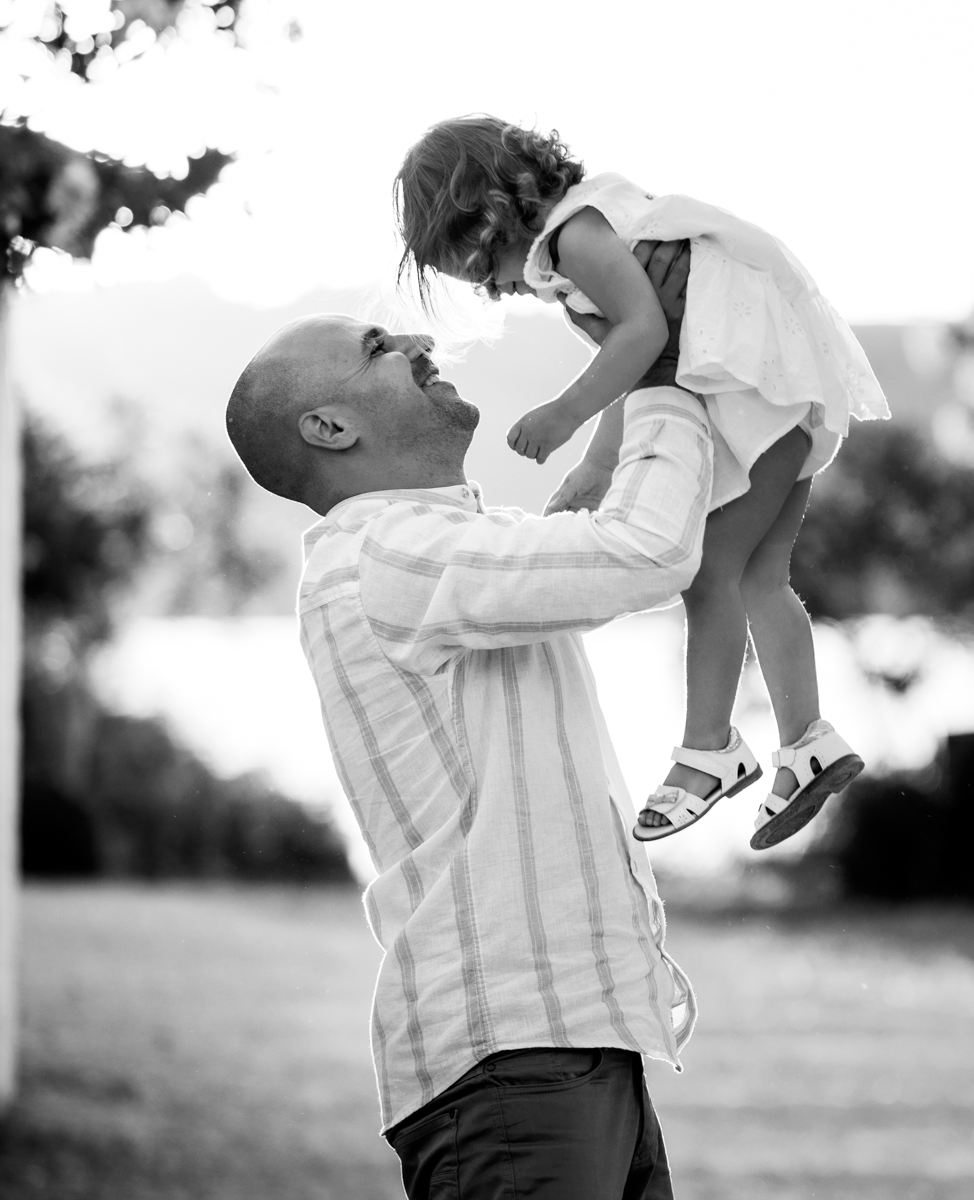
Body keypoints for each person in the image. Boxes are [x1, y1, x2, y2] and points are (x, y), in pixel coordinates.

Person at [227, 241, 702, 1199]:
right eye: (375, 345)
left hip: (562, 1044)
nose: (413, 335)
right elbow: (648, 549)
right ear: (328, 425)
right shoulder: (389, 555)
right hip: (515, 1059)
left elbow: (621, 537)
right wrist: (663, 374)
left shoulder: (437, 548)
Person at [395, 115, 889, 850]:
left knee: (707, 574)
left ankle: (708, 752)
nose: (491, 287)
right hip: (781, 388)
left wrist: (564, 415)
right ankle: (807, 741)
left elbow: (643, 335)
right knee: (760, 580)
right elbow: (646, 360)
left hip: (761, 388)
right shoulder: (589, 226)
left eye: (475, 266)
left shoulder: (574, 237)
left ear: (489, 214)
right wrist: (598, 466)